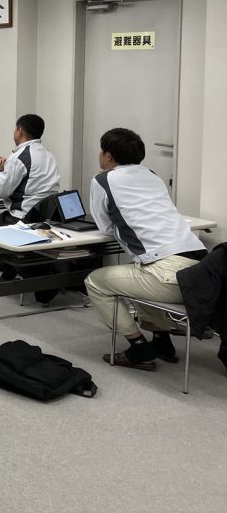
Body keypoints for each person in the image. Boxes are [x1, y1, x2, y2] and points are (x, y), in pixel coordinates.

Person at [83, 128, 206, 370]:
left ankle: (138, 346)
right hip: (201, 271)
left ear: (108, 156)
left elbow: (105, 226)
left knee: (95, 282)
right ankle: (162, 342)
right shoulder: (152, 175)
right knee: (139, 269)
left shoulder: (102, 180)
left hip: (168, 275)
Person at [0, 113, 60, 225]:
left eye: (15, 129)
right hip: (44, 218)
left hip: (22, 219)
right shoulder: (48, 155)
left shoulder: (20, 157)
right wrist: (5, 169)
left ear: (20, 130)